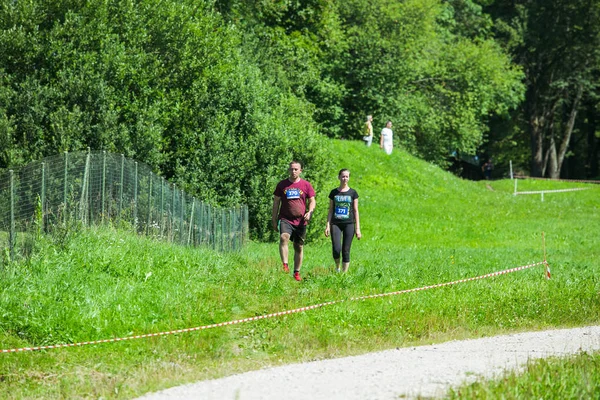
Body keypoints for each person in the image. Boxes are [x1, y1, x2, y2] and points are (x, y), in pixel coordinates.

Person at [272, 161, 316, 281]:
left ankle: (296, 272)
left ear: (300, 171)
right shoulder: (282, 185)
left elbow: (312, 200)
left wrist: (310, 212)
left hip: (301, 221)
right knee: (284, 237)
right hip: (285, 218)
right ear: (288, 170)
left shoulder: (306, 185)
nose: (293, 171)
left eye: (296, 169)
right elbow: (276, 202)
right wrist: (274, 220)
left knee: (299, 247)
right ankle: (285, 265)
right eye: (291, 169)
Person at [324, 169, 361, 273]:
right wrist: (327, 225)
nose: (345, 178)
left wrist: (358, 228)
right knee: (336, 248)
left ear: (349, 178)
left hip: (349, 224)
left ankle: (344, 274)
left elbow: (356, 210)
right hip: (335, 223)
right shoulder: (334, 193)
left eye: (347, 177)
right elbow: (330, 210)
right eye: (343, 176)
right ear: (339, 177)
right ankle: (337, 268)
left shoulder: (353, 193)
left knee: (346, 250)